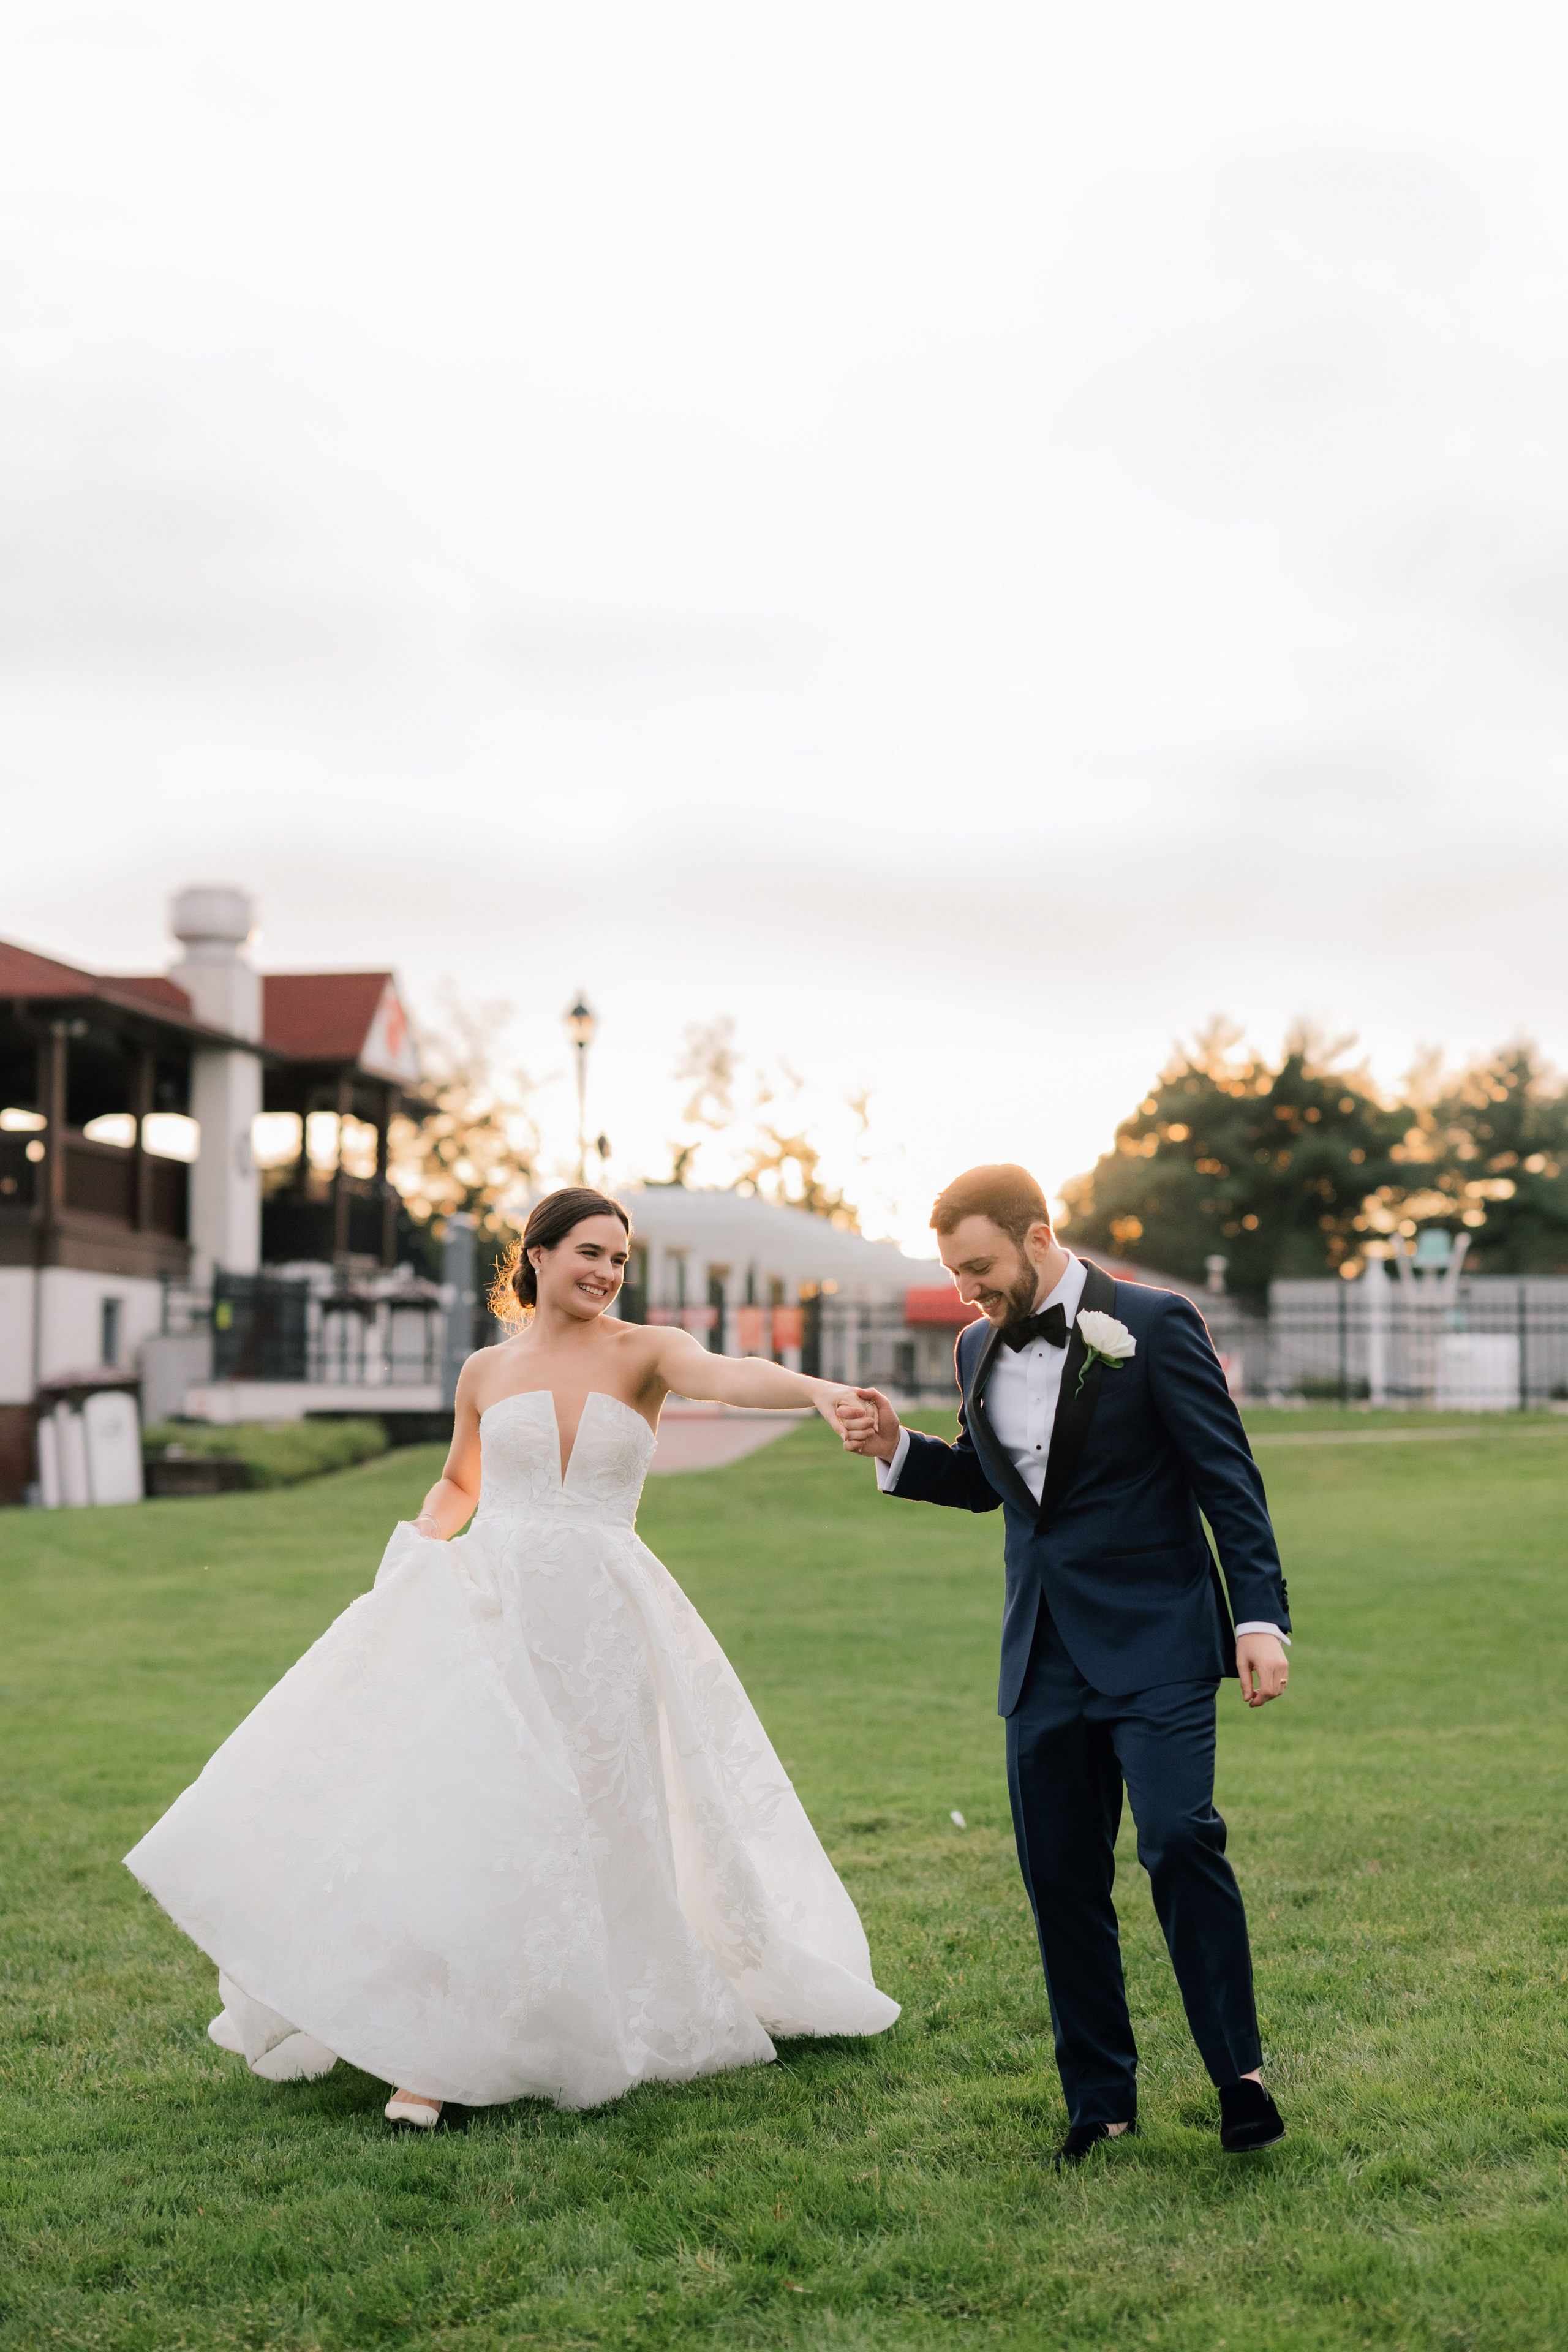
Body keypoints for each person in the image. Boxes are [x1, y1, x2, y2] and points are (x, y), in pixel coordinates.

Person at [127, 1188, 899, 2128]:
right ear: (535, 1254)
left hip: (607, 1619)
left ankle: (591, 2005)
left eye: (620, 1259)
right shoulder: (484, 1371)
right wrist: (422, 1541)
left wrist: (818, 1392)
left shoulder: (647, 1352)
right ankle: (441, 2054)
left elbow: (729, 1374)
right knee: (489, 1810)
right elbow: (462, 1477)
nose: (608, 1273)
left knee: (602, 1812)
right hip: (499, 1606)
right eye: (589, 1252)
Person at [836, 1164, 1290, 2166]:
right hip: (1041, 1653)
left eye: (982, 1268)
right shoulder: (972, 1344)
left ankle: (1240, 2080)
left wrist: (1258, 1618)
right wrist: (893, 1447)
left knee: (1180, 1839)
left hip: (1160, 1640)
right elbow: (992, 1483)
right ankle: (1101, 2103)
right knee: (1060, 1880)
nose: (969, 1292)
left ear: (1038, 1236)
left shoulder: (1156, 1323)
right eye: (956, 1274)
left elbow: (1229, 1479)